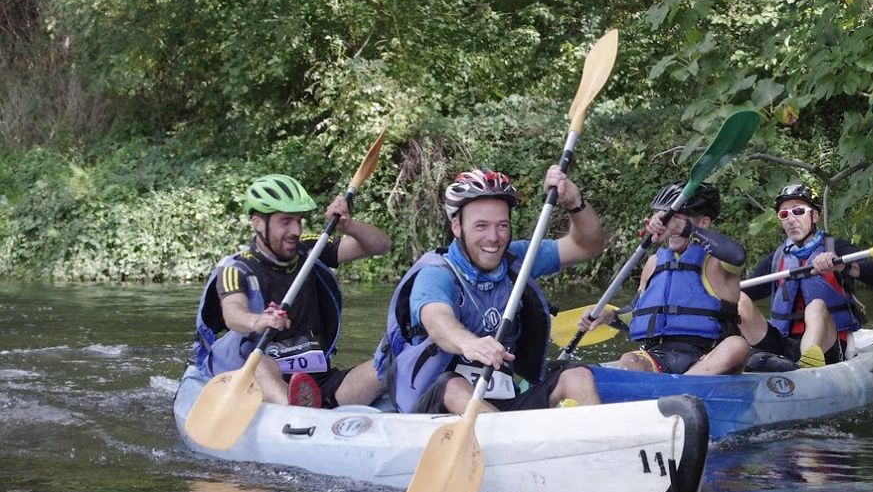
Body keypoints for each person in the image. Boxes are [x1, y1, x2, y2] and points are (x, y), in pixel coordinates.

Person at [375, 164, 605, 415]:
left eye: (502, 225)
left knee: (577, 376)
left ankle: (598, 450)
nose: (494, 237)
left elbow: (588, 245)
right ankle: (512, 445)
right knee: (454, 387)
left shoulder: (519, 259)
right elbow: (436, 319)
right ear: (457, 227)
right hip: (435, 406)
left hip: (501, 399)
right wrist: (469, 344)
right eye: (481, 226)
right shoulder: (436, 273)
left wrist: (574, 202)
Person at [193, 173, 392, 408]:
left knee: (387, 363)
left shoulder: (311, 249)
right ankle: (292, 409)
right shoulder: (237, 268)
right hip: (263, 377)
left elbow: (380, 246)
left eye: (298, 221)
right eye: (285, 221)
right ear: (258, 223)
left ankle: (310, 406)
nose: (295, 230)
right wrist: (258, 321)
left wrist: (349, 226)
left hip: (320, 381)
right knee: (261, 365)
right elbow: (233, 312)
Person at [582, 182, 751, 374]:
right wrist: (608, 316)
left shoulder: (717, 263)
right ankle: (664, 389)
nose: (668, 226)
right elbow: (636, 313)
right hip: (658, 357)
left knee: (737, 346)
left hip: (708, 357)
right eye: (665, 219)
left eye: (674, 219)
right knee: (630, 359)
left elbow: (737, 255)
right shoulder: (654, 263)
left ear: (703, 223)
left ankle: (684, 385)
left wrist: (684, 228)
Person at [738, 183, 873, 369]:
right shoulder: (778, 257)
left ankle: (806, 367)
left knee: (816, 306)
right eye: (784, 214)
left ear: (815, 216)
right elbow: (746, 293)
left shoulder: (835, 247)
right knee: (737, 299)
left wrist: (843, 265)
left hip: (829, 342)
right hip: (784, 342)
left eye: (798, 211)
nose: (791, 219)